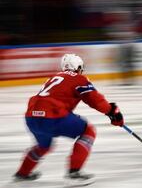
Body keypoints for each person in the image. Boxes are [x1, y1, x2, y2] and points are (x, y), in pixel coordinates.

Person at [13, 54, 124, 186]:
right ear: (77, 67)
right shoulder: (78, 78)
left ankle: (22, 174)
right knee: (88, 131)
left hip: (31, 117)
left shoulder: (53, 78)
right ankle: (74, 173)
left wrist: (109, 111)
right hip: (53, 115)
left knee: (43, 146)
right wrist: (111, 111)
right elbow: (95, 100)